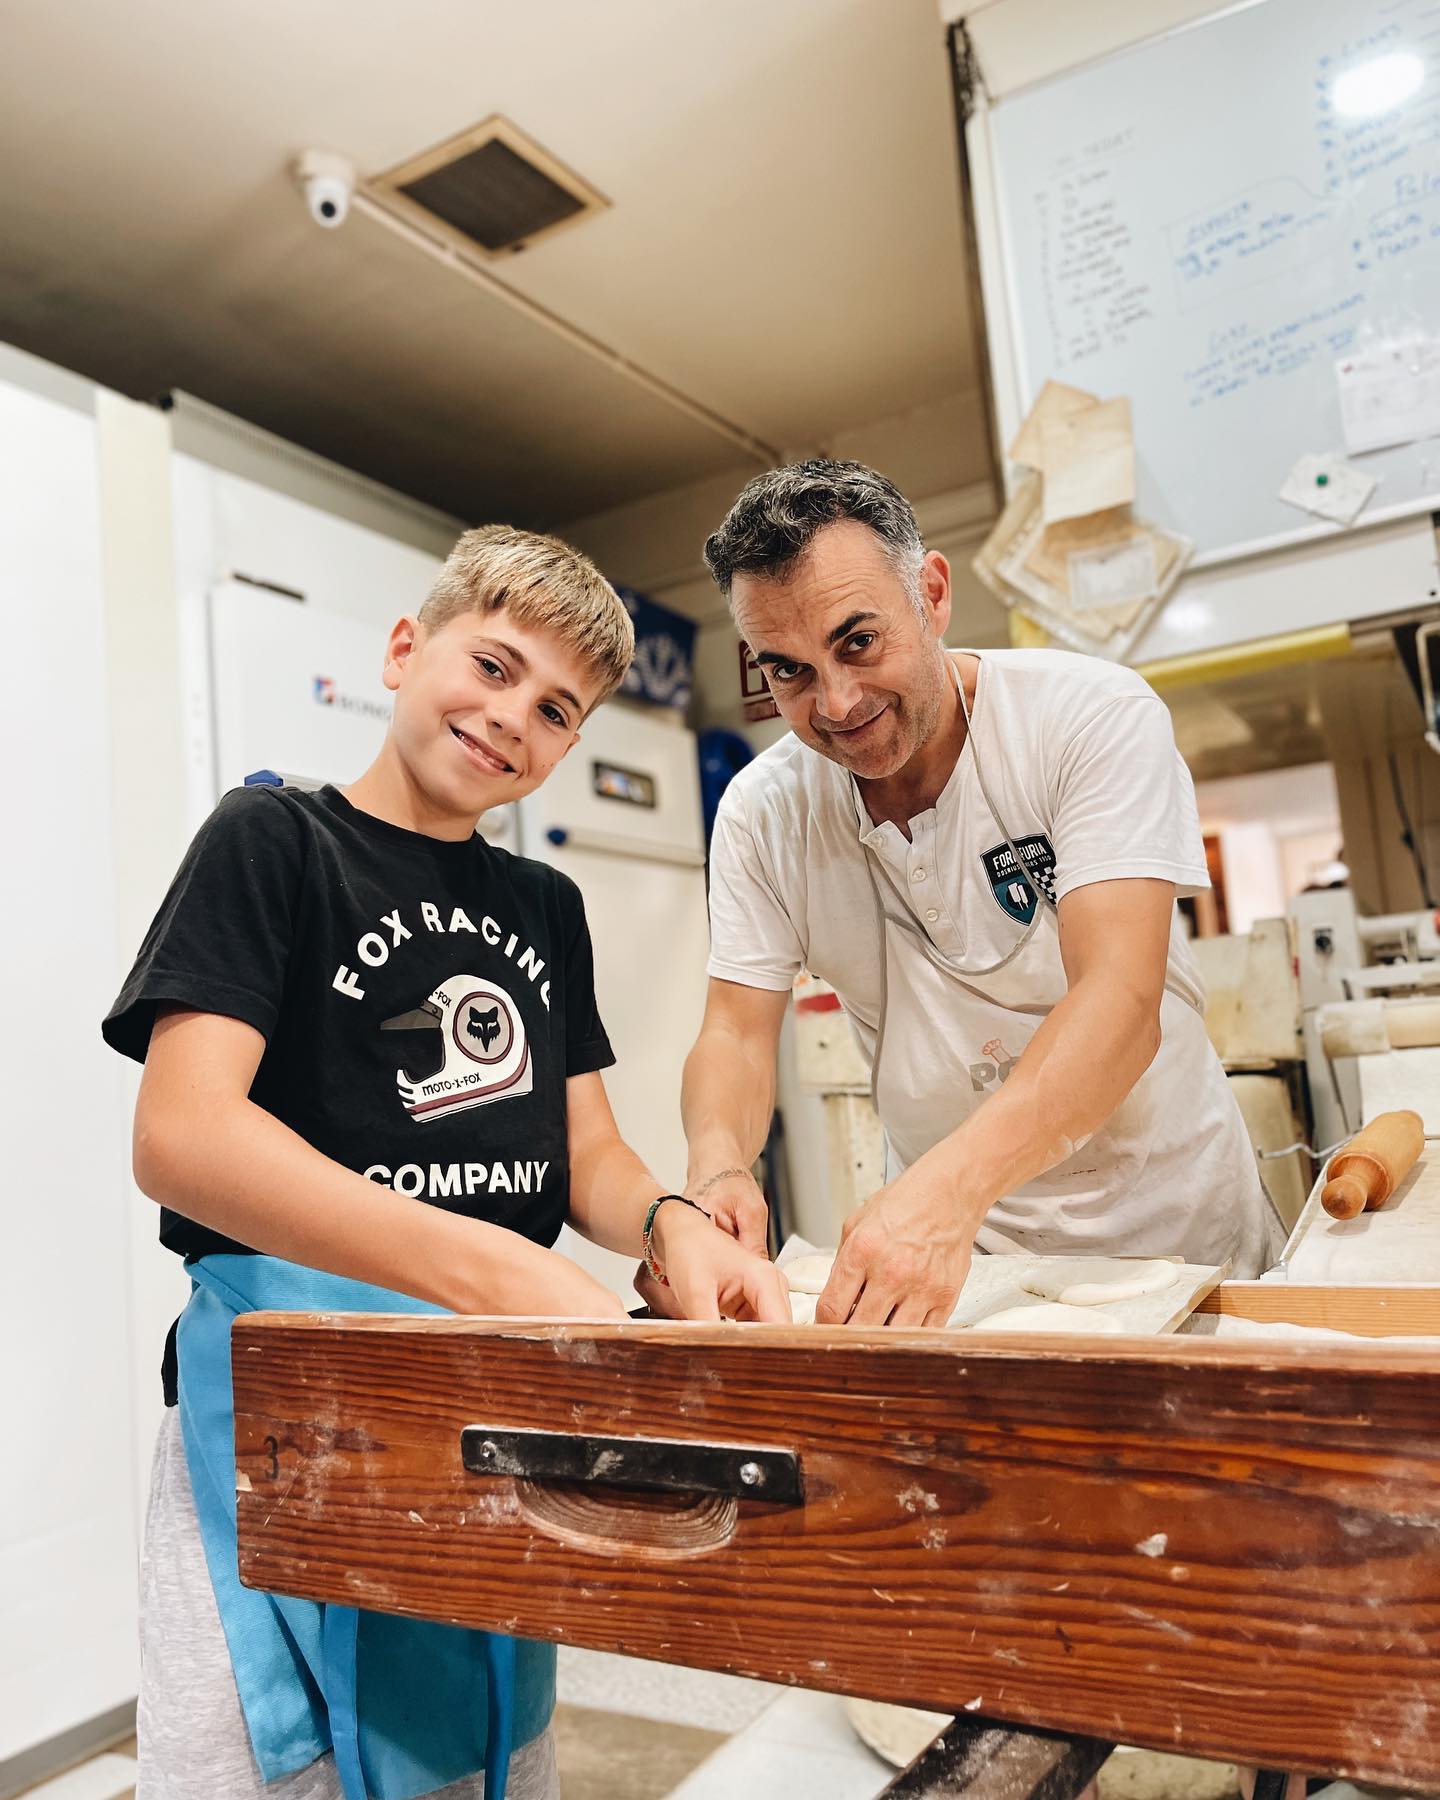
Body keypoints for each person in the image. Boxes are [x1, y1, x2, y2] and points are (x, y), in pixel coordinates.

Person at [103, 525, 789, 1800]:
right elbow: (184, 1136)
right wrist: (485, 1270)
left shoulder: (545, 909)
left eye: (554, 709)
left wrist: (670, 1224)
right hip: (284, 1412)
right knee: (266, 1766)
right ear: (407, 647)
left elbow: (585, 1150)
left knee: (480, 1759)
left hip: (490, 1409)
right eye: (491, 664)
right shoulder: (273, 842)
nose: (510, 717)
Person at [671, 460, 1284, 1330]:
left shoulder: (1087, 717)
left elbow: (1120, 999)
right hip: (953, 1274)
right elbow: (733, 1031)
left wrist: (943, 1196)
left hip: (1178, 1242)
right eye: (790, 673)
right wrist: (718, 1166)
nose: (837, 703)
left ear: (931, 592)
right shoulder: (765, 813)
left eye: (858, 643)